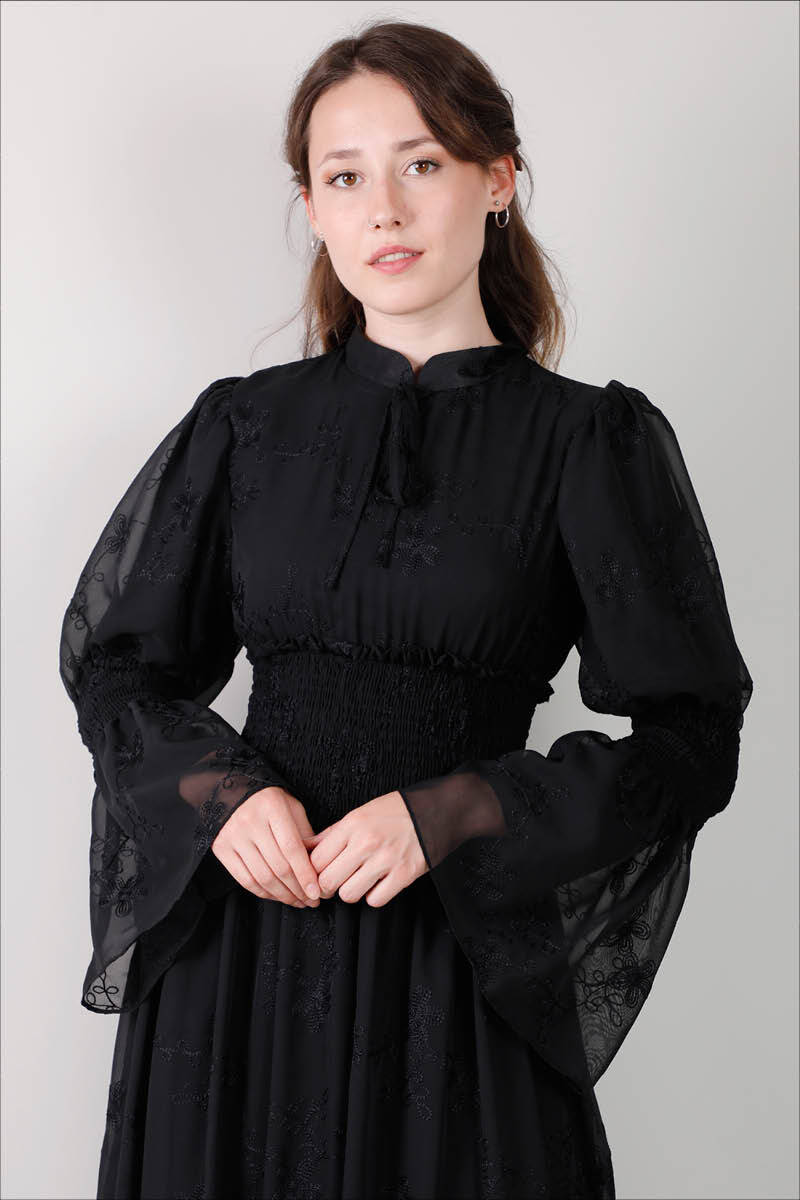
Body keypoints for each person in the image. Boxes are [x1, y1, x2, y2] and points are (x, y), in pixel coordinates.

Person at [59, 18, 754, 1200]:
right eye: (344, 178)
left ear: (497, 179)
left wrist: (454, 813)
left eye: (420, 163)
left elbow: (691, 739)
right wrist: (221, 798)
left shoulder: (589, 441)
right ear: (313, 209)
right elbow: (118, 669)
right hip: (237, 962)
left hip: (455, 970)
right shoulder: (242, 427)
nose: (382, 209)